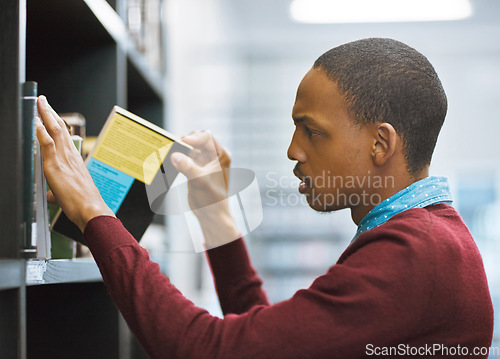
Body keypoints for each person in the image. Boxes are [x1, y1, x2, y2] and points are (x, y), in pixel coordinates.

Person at [36, 38, 493, 359]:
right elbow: (268, 341)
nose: (293, 150)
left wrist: (93, 212)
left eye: (313, 131)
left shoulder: (415, 253)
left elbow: (205, 349)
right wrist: (214, 211)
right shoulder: (430, 238)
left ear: (381, 144)